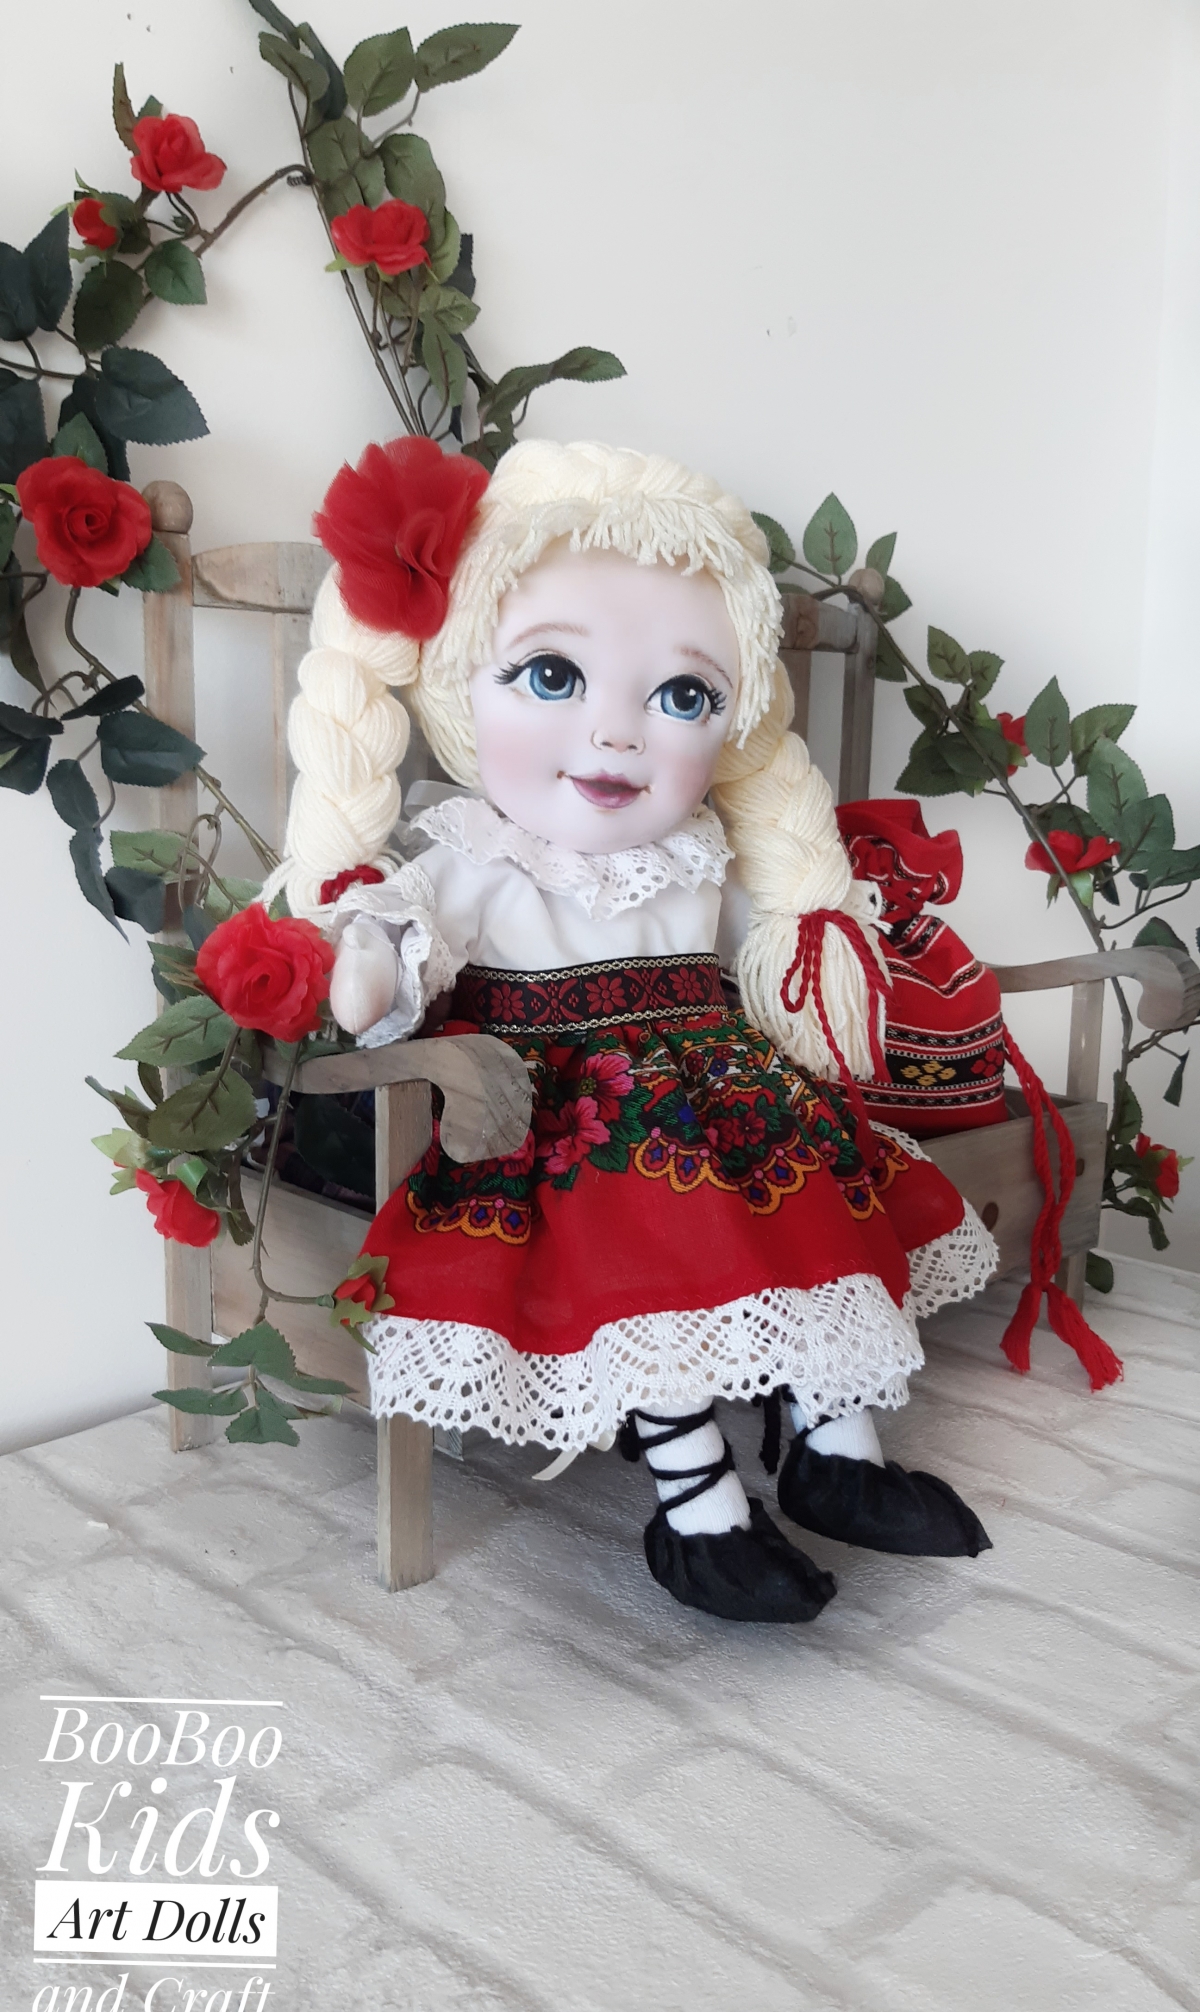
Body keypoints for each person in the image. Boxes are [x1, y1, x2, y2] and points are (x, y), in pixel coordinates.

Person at [266, 436, 997, 1623]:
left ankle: (838, 1448)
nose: (617, 735)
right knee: (649, 1231)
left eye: (683, 697)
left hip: (722, 1088)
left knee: (816, 1179)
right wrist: (364, 946)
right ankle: (698, 1504)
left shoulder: (696, 852)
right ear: (459, 684)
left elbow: (769, 946)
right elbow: (397, 950)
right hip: (560, 1107)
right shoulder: (475, 854)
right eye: (553, 675)